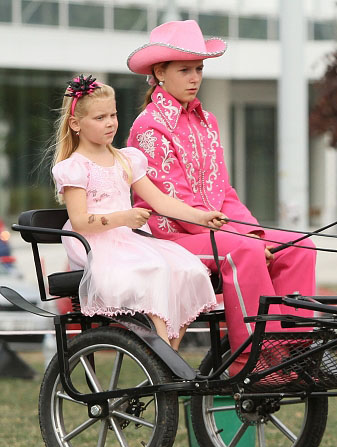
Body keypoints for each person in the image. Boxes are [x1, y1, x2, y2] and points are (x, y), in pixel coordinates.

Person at [126, 20, 317, 374]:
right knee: (244, 252)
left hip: (217, 231)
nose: (195, 77)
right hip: (173, 236)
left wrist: (253, 232)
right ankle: (255, 359)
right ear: (159, 73)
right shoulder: (148, 126)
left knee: (299, 246)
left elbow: (223, 192)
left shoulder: (206, 122)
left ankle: (296, 351)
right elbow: (173, 204)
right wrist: (245, 241)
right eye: (185, 70)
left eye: (199, 69)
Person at [51, 75, 226, 349]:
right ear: (76, 124)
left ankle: (169, 353)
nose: (110, 122)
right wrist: (124, 218)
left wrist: (201, 216)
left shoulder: (126, 159)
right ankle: (161, 352)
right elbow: (80, 221)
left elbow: (160, 201)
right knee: (155, 269)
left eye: (113, 114)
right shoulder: (74, 167)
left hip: (130, 240)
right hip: (96, 243)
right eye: (99, 118)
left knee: (189, 269)